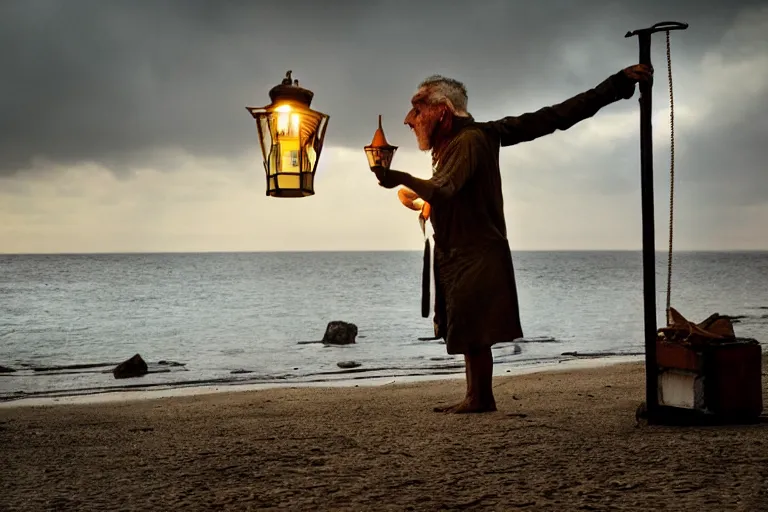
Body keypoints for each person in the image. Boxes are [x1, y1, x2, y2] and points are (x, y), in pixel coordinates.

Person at [371, 64, 654, 414]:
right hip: (462, 251)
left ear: (441, 111)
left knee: (474, 330)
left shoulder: (470, 139)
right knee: (467, 329)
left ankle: (480, 398)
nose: (408, 119)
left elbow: (445, 188)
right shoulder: (459, 143)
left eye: (417, 109)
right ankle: (476, 395)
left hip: (476, 251)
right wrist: (423, 201)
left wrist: (395, 175)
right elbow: (548, 119)